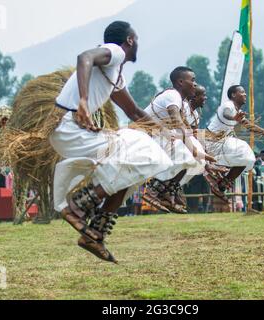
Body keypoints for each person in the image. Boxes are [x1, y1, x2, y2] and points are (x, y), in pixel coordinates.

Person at [49, 21, 173, 263]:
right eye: (136, 38)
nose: (138, 43)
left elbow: (135, 112)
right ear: (130, 40)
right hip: (67, 128)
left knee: (134, 168)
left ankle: (94, 234)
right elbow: (84, 56)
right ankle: (78, 206)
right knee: (139, 150)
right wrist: (83, 102)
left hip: (69, 133)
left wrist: (168, 134)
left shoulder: (115, 75)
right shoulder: (114, 52)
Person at [142, 67, 215, 213]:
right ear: (180, 82)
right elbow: (178, 123)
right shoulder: (172, 95)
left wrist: (203, 157)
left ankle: (168, 192)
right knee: (188, 153)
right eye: (192, 80)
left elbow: (186, 131)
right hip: (144, 136)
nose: (195, 84)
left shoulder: (182, 103)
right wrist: (195, 150)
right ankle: (153, 190)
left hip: (158, 137)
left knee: (194, 159)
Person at [206, 85, 264, 195]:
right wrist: (234, 118)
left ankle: (224, 182)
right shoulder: (228, 105)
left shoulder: (238, 112)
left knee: (247, 159)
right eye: (242, 92)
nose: (245, 94)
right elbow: (226, 114)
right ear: (233, 95)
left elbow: (252, 127)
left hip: (220, 144)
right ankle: (217, 175)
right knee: (244, 151)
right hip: (211, 141)